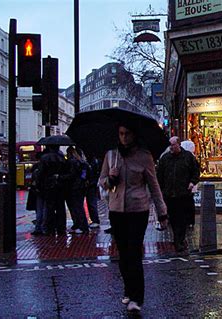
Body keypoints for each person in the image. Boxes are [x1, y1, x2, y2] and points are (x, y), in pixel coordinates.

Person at [99, 123, 168, 312]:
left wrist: (162, 212)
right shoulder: (111, 155)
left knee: (134, 252)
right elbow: (102, 183)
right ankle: (128, 290)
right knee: (122, 254)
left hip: (139, 210)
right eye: (121, 134)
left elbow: (154, 186)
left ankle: (137, 297)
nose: (124, 137)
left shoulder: (144, 156)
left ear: (134, 135)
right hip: (116, 210)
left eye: (127, 133)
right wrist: (110, 180)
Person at [157, 136, 200, 252]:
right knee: (173, 218)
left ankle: (179, 241)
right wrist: (160, 191)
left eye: (173, 145)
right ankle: (177, 239)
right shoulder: (165, 158)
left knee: (181, 219)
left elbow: (196, 171)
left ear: (178, 145)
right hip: (169, 194)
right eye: (170, 145)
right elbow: (159, 175)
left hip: (183, 194)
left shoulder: (188, 157)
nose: (171, 147)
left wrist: (192, 182)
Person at [38, 145, 67, 236]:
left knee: (49, 208)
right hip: (60, 185)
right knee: (60, 207)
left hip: (48, 185)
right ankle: (61, 228)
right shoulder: (62, 158)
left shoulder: (44, 158)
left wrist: (40, 185)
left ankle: (49, 228)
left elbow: (41, 173)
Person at [63, 146, 89, 234]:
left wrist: (61, 177)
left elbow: (71, 175)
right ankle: (82, 225)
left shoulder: (72, 162)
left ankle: (82, 226)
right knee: (79, 206)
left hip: (74, 187)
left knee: (77, 207)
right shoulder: (82, 161)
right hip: (81, 187)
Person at [180, 140, 197, 229]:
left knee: (189, 202)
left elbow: (194, 172)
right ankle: (188, 220)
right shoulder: (189, 157)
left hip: (189, 185)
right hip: (187, 185)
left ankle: (189, 220)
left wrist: (191, 182)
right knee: (188, 202)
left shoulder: (189, 158)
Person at [85, 153, 101, 228]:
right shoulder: (96, 161)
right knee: (92, 202)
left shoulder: (91, 163)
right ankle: (95, 220)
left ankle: (95, 220)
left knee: (91, 203)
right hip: (93, 184)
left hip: (91, 184)